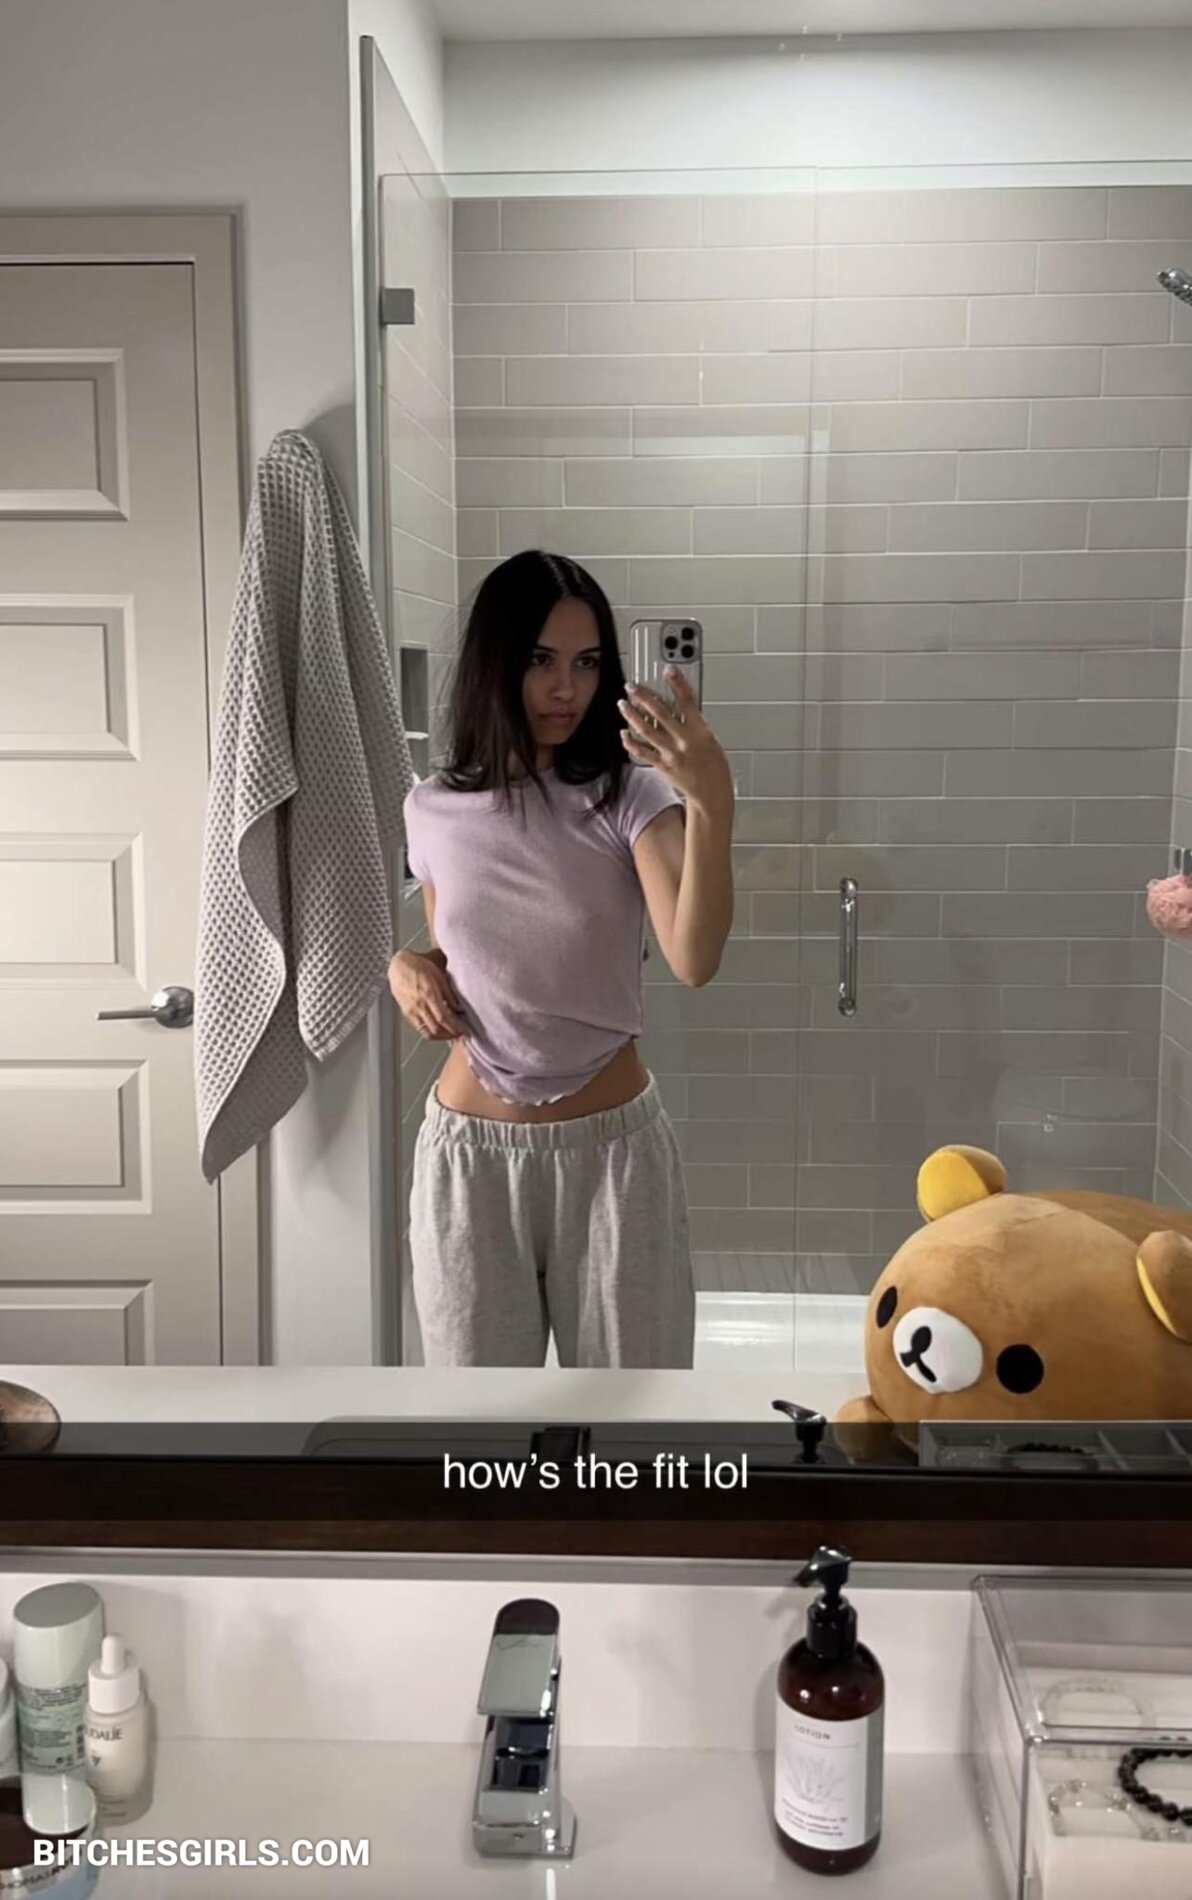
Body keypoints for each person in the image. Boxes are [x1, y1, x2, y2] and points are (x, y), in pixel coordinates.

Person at [389, 549, 735, 1368]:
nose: (565, 689)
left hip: (612, 1159)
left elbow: (693, 959)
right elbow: (463, 946)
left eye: (586, 663)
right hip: (469, 1160)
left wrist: (711, 800)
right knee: (478, 1423)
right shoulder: (430, 809)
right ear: (496, 661)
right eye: (541, 660)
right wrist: (401, 963)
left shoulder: (630, 795)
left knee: (635, 1419)